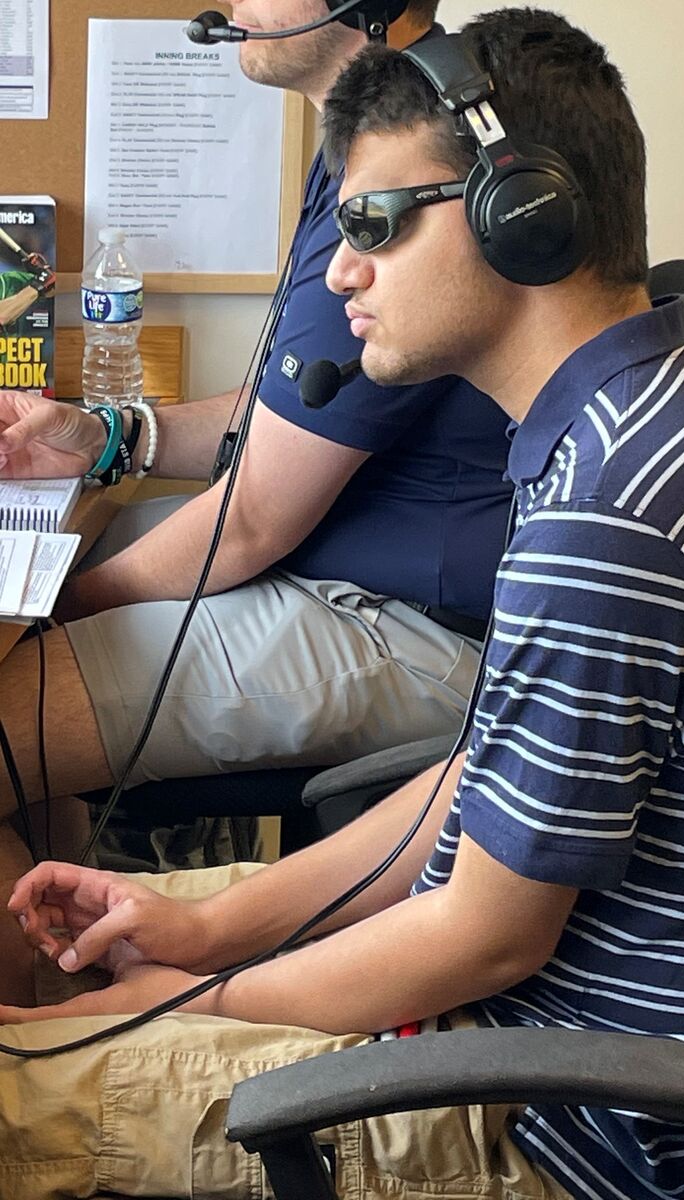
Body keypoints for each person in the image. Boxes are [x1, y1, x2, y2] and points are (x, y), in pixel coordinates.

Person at [2, 9, 684, 1200]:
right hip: (539, 1018)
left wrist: (197, 999)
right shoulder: (648, 419)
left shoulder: (608, 516)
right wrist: (208, 936)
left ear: (524, 216)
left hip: (554, 1122)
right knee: (77, 993)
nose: (343, 270)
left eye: (372, 223)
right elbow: (477, 785)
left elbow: (483, 935)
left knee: (8, 1085)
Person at [0, 0, 511, 839]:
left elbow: (251, 520)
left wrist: (47, 613)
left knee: (16, 702)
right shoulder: (370, 130)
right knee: (81, 557)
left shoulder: (428, 159)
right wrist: (111, 434)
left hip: (413, 625)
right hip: (334, 560)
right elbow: (296, 406)